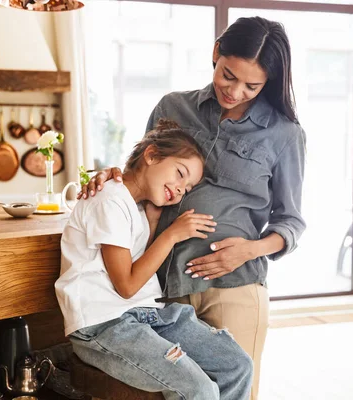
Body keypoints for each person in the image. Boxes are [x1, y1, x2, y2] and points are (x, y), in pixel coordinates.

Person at [79, 16, 306, 399]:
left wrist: (249, 250)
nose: (235, 92)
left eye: (253, 85)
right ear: (216, 52)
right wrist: (110, 176)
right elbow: (143, 172)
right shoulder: (173, 107)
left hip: (233, 285)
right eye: (228, 75)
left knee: (235, 384)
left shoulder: (284, 134)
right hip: (162, 286)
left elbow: (292, 222)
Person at [55, 120, 254, 400]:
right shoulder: (109, 200)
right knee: (200, 390)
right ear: (151, 155)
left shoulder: (136, 208)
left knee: (237, 365)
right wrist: (170, 235)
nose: (181, 188)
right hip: (106, 325)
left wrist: (152, 220)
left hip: (149, 315)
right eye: (180, 173)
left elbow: (137, 266)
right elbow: (126, 285)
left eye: (188, 187)